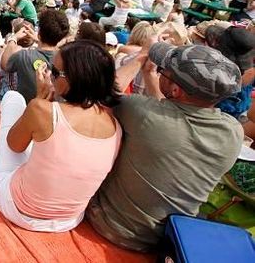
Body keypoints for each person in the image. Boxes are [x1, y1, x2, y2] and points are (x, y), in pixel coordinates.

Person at [87, 42, 243, 252]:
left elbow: (104, 94)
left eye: (163, 71)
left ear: (176, 89)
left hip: (109, 224)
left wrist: (141, 58)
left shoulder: (141, 113)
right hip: (168, 239)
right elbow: (173, 117)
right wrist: (152, 77)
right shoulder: (233, 132)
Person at [0, 40, 122, 231]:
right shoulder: (115, 125)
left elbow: (14, 145)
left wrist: (38, 100)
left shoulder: (42, 110)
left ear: (75, 79)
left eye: (55, 72)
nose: (49, 76)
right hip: (68, 221)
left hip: (19, 210)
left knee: (13, 98)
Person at [1, 9, 70, 103]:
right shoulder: (67, 58)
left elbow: (4, 64)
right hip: (54, 109)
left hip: (27, 108)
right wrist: (38, 39)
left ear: (39, 32)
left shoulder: (23, 56)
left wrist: (13, 38)